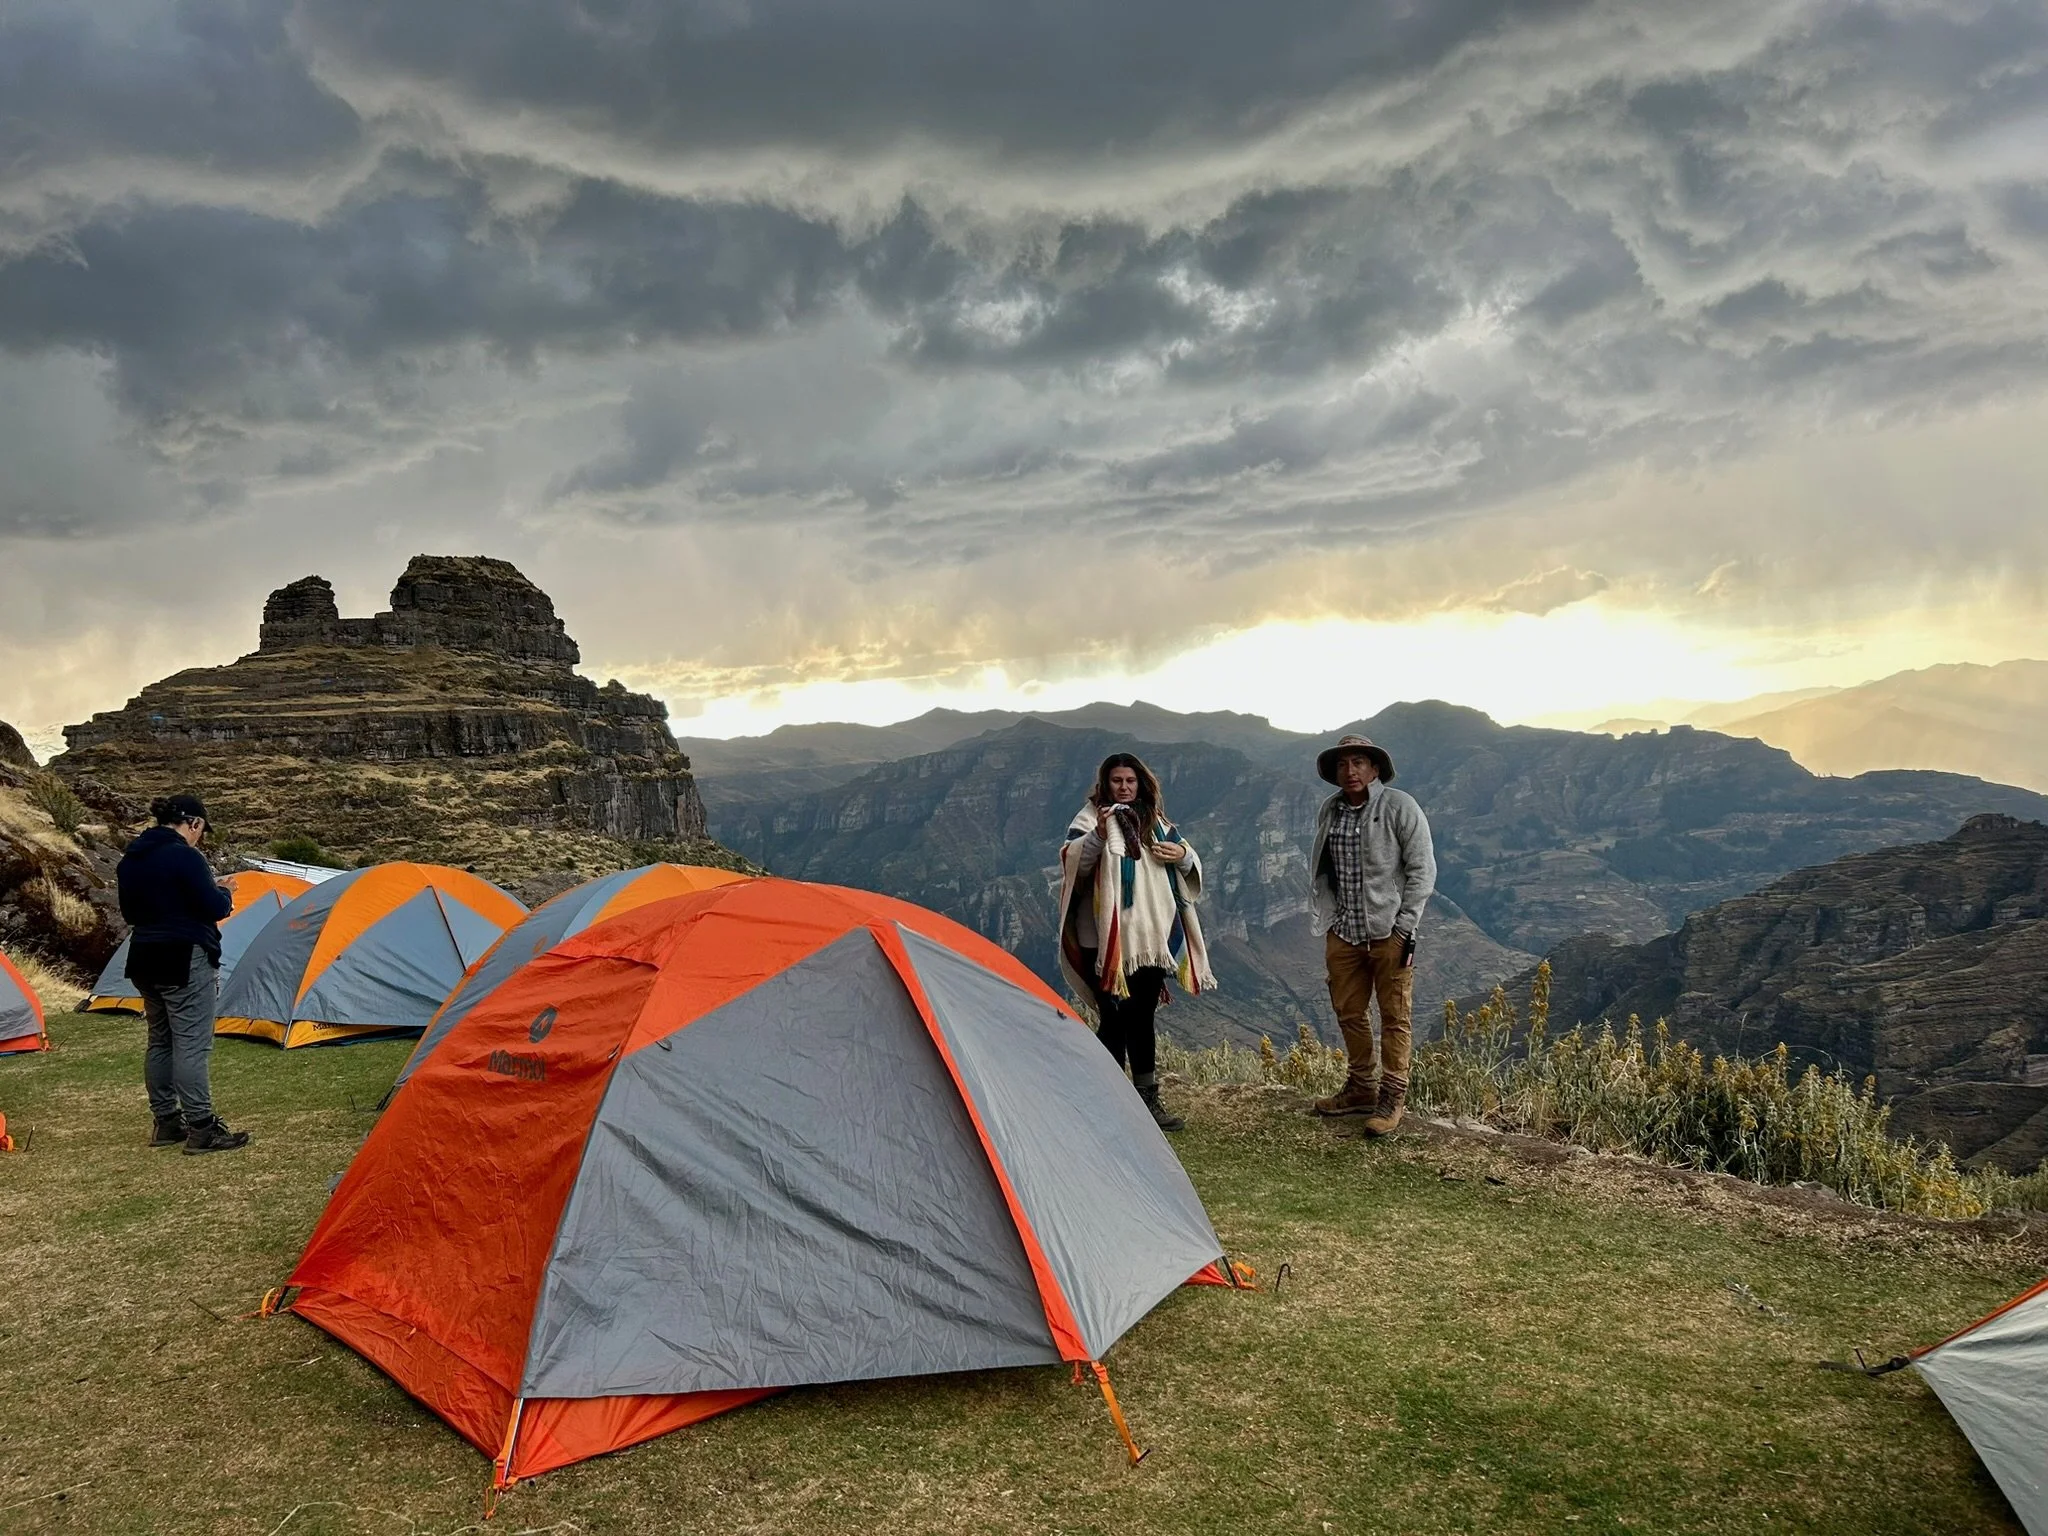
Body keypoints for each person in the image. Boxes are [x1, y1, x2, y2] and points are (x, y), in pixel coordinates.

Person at [1056, 752, 1216, 1132]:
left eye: (1130, 781)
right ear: (1105, 784)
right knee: (1113, 1019)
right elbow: (1073, 863)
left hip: (1149, 938)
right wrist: (1099, 834)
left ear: (1140, 783)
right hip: (1104, 942)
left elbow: (1187, 855)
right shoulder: (1089, 819)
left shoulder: (1155, 822)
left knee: (1142, 1018)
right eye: (1117, 781)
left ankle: (1146, 1097)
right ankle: (1105, 1096)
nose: (1124, 788)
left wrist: (1181, 854)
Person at [1308, 735, 1436, 1134]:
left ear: (1375, 769)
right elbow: (1325, 869)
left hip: (1388, 933)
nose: (1351, 771)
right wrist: (1328, 919)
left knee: (1395, 1016)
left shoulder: (1399, 807)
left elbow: (1422, 870)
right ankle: (1361, 1086)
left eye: (1359, 762)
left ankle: (1392, 1095)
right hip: (1344, 931)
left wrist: (1405, 927)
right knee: (1349, 1012)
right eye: (1344, 764)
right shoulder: (1330, 811)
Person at [117, 794, 250, 1154]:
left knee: (160, 1040)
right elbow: (214, 907)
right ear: (192, 823)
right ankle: (202, 1129)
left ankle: (166, 1122)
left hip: (143, 954)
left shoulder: (132, 857)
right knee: (191, 1042)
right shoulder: (185, 856)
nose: (201, 838)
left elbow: (129, 911)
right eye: (201, 830)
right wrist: (224, 890)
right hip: (184, 955)